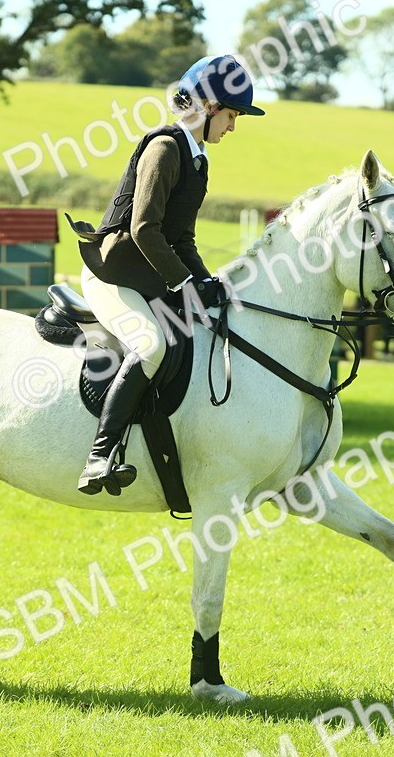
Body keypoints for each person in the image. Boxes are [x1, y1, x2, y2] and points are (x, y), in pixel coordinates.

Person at [69, 54, 264, 496]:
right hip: (114, 273)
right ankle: (99, 456)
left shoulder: (197, 160)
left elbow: (183, 240)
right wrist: (185, 283)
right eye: (232, 115)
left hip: (148, 274)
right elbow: (143, 229)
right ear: (211, 107)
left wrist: (209, 282)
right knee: (152, 344)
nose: (233, 126)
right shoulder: (165, 148)